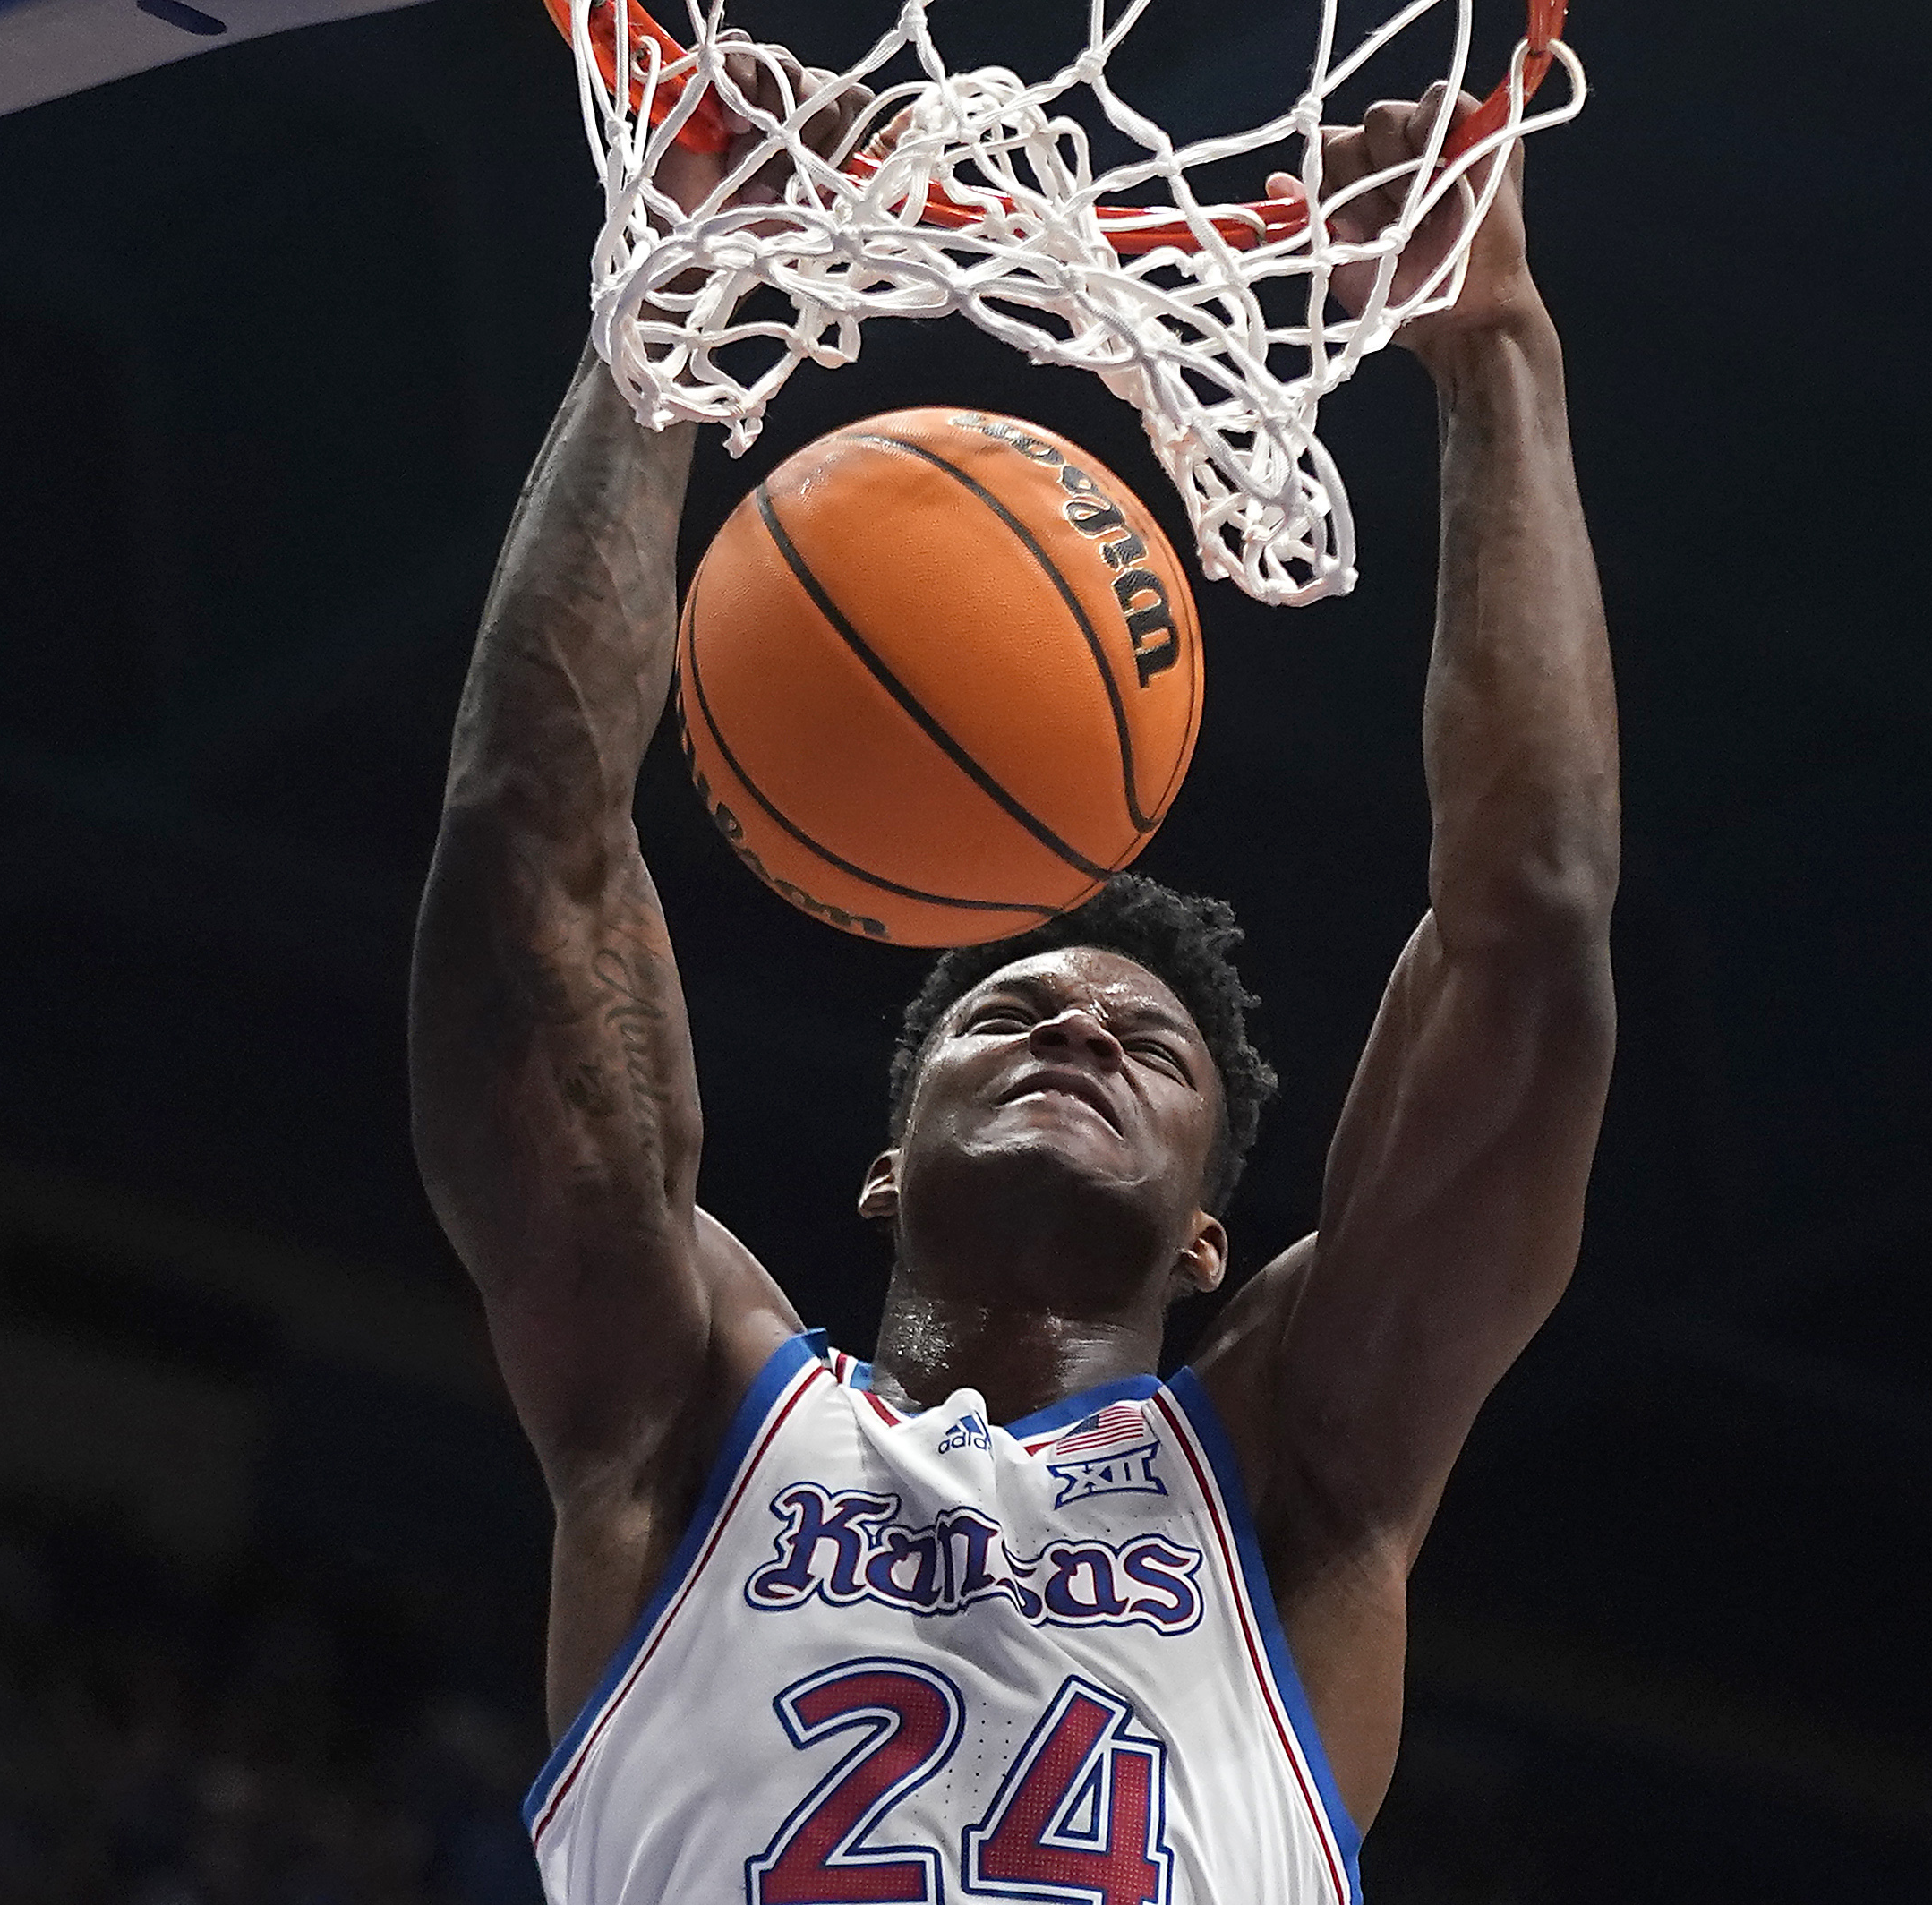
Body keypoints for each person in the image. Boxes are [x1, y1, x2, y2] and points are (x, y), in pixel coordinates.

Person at [409, 47, 1619, 1902]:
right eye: (1012, 1010)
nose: (1076, 1023)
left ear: (1213, 1239)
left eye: (1146, 1041)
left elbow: (1526, 932)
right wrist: (667, 315)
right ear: (883, 1166)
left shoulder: (1299, 1467)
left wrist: (1498, 350)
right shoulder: (689, 1403)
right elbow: (525, 852)